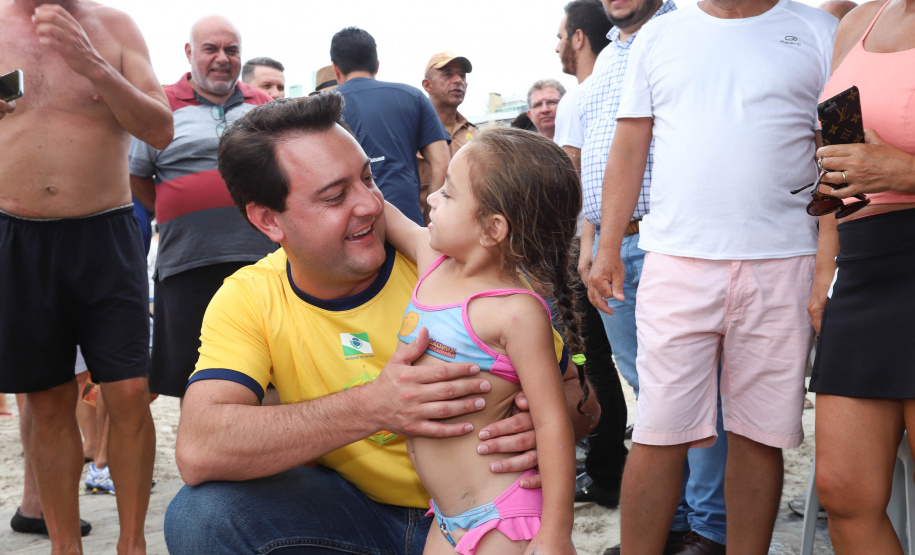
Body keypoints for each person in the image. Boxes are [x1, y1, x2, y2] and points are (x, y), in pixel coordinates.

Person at [162, 93, 597, 554]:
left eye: (369, 178)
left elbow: (583, 407)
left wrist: (541, 424)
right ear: (268, 219)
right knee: (201, 516)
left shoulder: (459, 269)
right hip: (366, 518)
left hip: (488, 516)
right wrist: (376, 406)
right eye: (335, 196)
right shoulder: (250, 296)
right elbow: (199, 449)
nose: (370, 205)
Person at [588, 0, 838, 550]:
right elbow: (628, 148)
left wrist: (826, 264)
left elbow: (837, 153)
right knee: (657, 432)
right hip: (676, 262)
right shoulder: (659, 36)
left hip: (786, 263)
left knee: (759, 436)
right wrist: (606, 245)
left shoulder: (821, 31)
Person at [0, 0, 172, 551]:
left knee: (128, 390)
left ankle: (131, 543)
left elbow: (161, 128)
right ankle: (63, 546)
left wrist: (94, 64)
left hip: (106, 232)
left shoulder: (114, 27)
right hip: (18, 234)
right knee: (47, 401)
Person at [383, 126, 586, 553]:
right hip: (444, 517)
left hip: (503, 517)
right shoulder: (433, 261)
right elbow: (380, 208)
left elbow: (552, 424)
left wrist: (555, 533)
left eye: (449, 193)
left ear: (492, 228)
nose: (432, 198)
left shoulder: (515, 312)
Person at [805, 0, 915, 551]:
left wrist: (902, 169)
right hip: (863, 265)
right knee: (844, 493)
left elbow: (882, 164)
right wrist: (826, 271)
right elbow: (838, 158)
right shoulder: (856, 22)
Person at [129, 15, 276, 401]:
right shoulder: (158, 105)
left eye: (232, 50)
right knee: (191, 377)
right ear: (189, 53)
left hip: (262, 261)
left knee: (269, 371)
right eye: (211, 49)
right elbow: (136, 176)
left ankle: (270, 461)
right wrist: (175, 207)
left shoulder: (264, 108)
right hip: (186, 262)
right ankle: (204, 457)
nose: (222, 58)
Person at [552, 0, 628, 512]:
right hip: (602, 243)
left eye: (560, 35)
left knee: (593, 362)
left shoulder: (580, 97)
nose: (557, 45)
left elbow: (568, 183)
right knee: (601, 363)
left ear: (579, 38)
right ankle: (609, 465)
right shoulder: (608, 88)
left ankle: (606, 469)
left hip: (591, 249)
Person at [331, 27, 450, 225]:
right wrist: (428, 217)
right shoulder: (413, 96)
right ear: (376, 65)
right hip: (408, 223)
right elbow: (443, 164)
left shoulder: (325, 106)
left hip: (351, 226)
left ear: (336, 68)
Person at [417, 52, 477, 224]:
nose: (459, 80)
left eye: (462, 76)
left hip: (467, 228)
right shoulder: (411, 133)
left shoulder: (474, 134)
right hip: (422, 233)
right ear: (427, 85)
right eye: (448, 74)